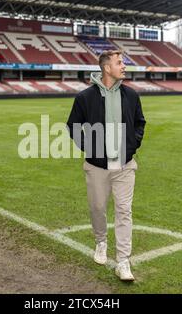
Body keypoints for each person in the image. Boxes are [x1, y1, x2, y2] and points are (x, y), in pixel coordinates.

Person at [66, 50, 146, 281]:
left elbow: (140, 122)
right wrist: (89, 147)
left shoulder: (131, 96)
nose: (124, 66)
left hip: (125, 165)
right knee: (98, 208)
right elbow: (73, 126)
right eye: (119, 63)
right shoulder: (84, 97)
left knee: (124, 211)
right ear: (106, 68)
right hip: (97, 167)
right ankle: (101, 242)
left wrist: (132, 144)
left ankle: (123, 261)